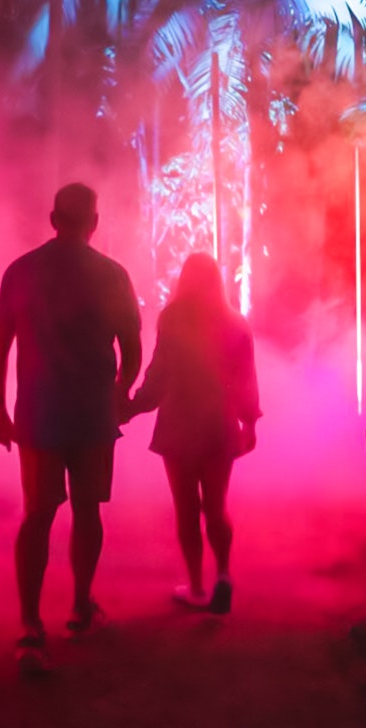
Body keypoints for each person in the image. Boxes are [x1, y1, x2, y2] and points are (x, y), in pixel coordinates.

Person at [0, 183, 142, 675]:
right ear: (95, 222)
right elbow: (133, 348)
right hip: (92, 416)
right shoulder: (113, 275)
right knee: (87, 510)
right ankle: (80, 607)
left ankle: (31, 626)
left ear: (53, 217)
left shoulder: (21, 271)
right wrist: (120, 393)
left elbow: (0, 344)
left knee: (37, 515)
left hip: (37, 413)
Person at [123, 253, 260, 614]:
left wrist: (133, 405)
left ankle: (197, 587)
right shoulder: (234, 323)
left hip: (179, 424)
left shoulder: (173, 319)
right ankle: (225, 576)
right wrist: (250, 422)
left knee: (187, 508)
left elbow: (160, 373)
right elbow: (246, 377)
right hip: (220, 423)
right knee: (217, 505)